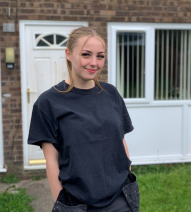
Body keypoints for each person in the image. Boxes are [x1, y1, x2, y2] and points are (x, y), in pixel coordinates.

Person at [27, 26, 139, 212]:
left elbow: (120, 139)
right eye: (86, 54)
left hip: (121, 198)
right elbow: (51, 160)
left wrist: (127, 172)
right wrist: (61, 203)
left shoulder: (111, 93)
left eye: (100, 56)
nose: (94, 62)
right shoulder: (48, 102)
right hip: (78, 204)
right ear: (69, 54)